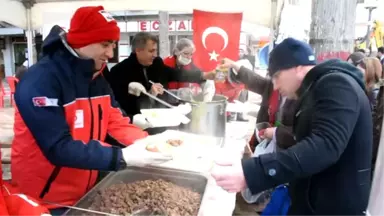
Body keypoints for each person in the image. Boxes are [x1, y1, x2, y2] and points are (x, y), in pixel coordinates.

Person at [11, 6, 170, 215]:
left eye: (113, 44)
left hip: (85, 191)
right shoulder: (41, 80)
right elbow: (58, 147)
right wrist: (122, 157)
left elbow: (115, 120)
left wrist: (150, 144)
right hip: (44, 200)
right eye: (105, 44)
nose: (111, 53)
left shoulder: (97, 78)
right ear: (82, 41)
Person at [211, 38, 372, 216]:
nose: (275, 85)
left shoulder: (336, 84)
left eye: (277, 76)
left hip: (331, 207)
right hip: (312, 202)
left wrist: (253, 172)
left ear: (298, 67)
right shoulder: (314, 89)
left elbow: (325, 145)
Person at [105, 32, 215, 131]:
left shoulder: (156, 63)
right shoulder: (119, 71)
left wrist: (203, 75)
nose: (155, 55)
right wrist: (148, 94)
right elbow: (118, 105)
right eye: (151, 51)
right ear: (138, 50)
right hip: (137, 126)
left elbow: (176, 73)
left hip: (162, 123)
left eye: (156, 51)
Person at [221, 58, 297, 151]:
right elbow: (255, 80)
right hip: (264, 146)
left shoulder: (304, 98)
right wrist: (235, 66)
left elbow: (304, 135)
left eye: (278, 77)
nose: (275, 85)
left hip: (285, 153)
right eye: (273, 77)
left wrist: (276, 133)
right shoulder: (271, 86)